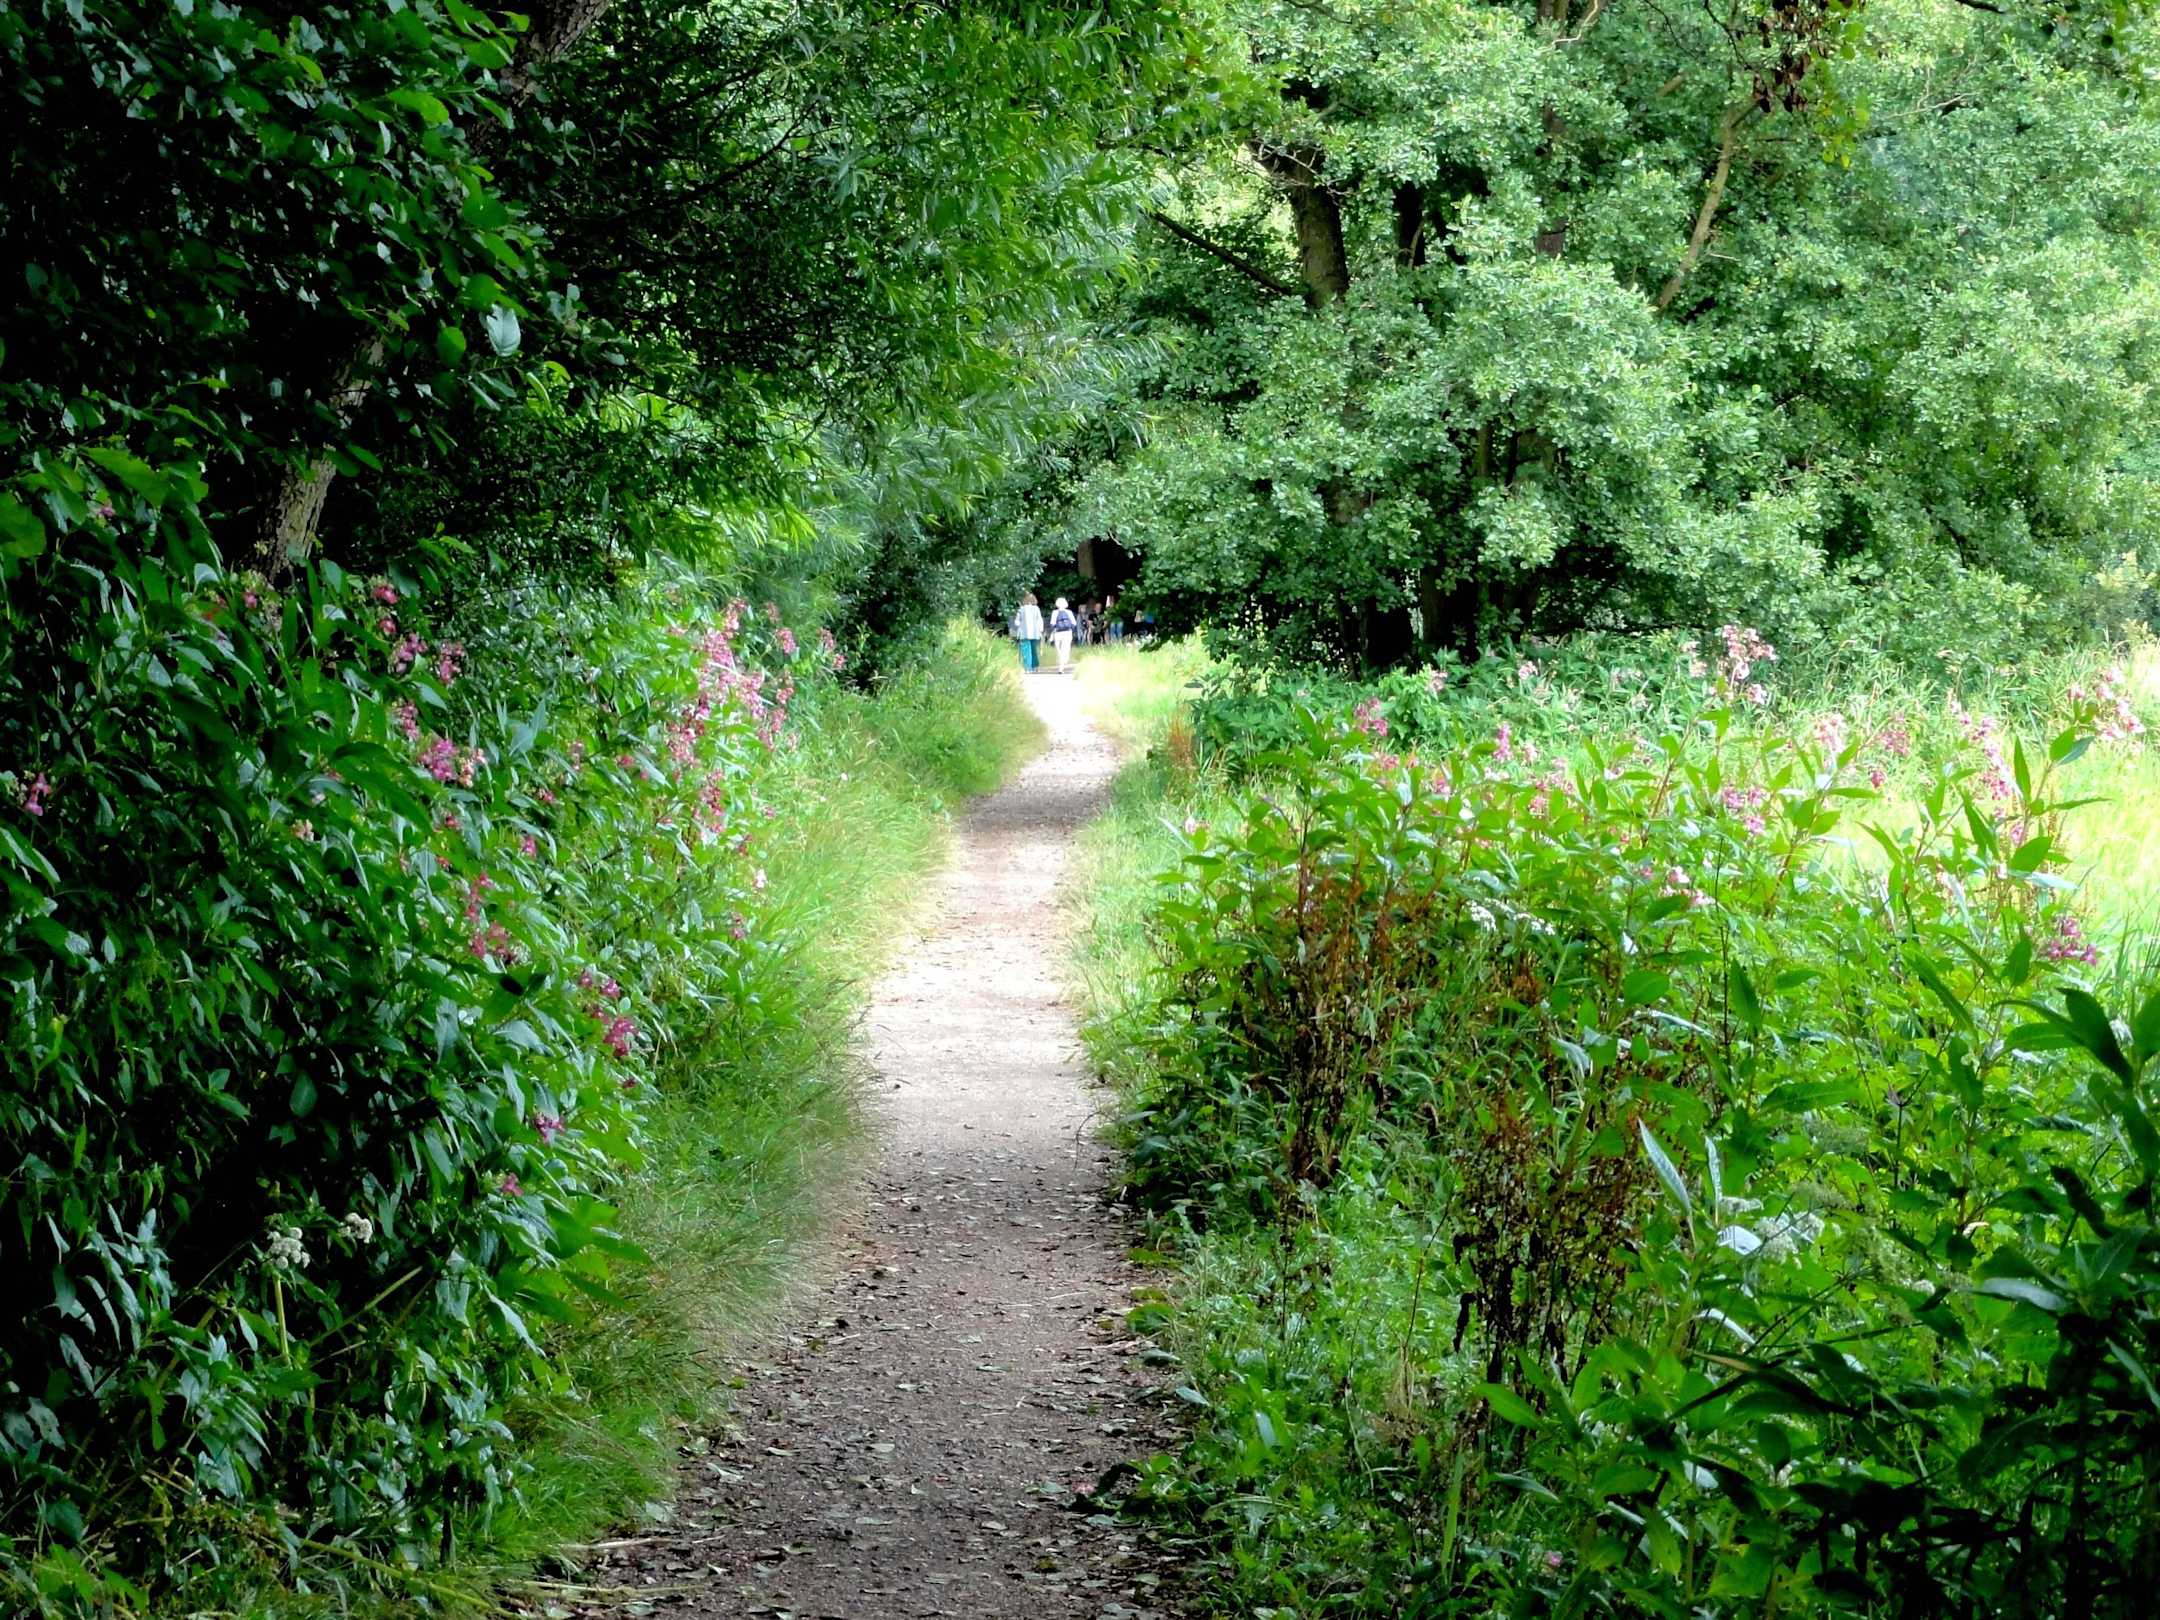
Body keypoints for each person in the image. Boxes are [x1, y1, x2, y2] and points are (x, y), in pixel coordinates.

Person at [1010, 592, 1043, 671]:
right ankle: (1034, 666)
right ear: (1034, 600)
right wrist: (1040, 630)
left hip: (1024, 633)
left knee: (1026, 650)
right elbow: (1039, 620)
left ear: (1025, 600)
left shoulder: (1021, 609)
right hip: (1035, 633)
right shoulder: (1036, 609)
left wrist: (1020, 624)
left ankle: (1027, 667)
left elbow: (1016, 622)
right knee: (1034, 650)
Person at [1048, 597, 1078, 672]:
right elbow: (1074, 623)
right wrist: (1070, 628)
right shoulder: (1069, 612)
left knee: (1058, 649)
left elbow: (1052, 623)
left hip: (1057, 633)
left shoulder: (1054, 612)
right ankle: (1063, 663)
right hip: (1067, 633)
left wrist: (1054, 629)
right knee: (1065, 648)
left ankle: (1061, 664)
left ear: (1057, 604)